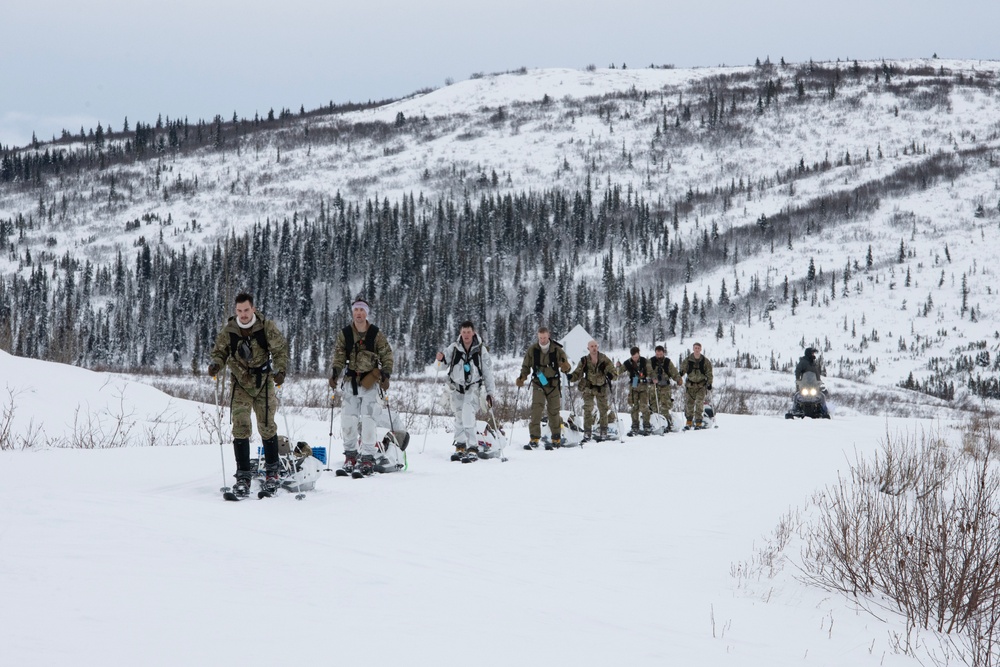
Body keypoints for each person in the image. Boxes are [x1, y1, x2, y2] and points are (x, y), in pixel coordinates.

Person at [208, 292, 289, 497]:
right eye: (239, 311)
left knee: (267, 425)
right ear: (235, 311)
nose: (243, 315)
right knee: (241, 427)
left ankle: (272, 472)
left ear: (253, 309)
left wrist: (280, 370)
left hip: (263, 383)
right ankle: (243, 476)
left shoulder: (266, 327)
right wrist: (216, 364)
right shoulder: (230, 330)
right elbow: (219, 351)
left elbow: (280, 350)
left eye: (246, 310)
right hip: (240, 384)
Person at [329, 296, 394, 476]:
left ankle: (367, 458)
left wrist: (386, 373)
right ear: (352, 312)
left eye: (362, 310)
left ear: (367, 313)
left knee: (368, 421)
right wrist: (335, 371)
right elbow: (339, 356)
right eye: (356, 309)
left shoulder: (375, 334)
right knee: (348, 420)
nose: (359, 313)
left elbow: (387, 354)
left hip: (370, 383)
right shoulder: (345, 334)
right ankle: (350, 456)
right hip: (351, 381)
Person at [435, 321, 496, 459]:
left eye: (469, 332)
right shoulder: (454, 348)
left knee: (468, 414)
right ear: (460, 333)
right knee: (459, 417)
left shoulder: (481, 350)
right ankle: (460, 445)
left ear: (473, 333)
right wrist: (439, 359)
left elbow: (488, 373)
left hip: (473, 388)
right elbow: (440, 366)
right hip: (456, 388)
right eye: (464, 332)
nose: (466, 335)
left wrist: (490, 393)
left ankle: (473, 446)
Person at [515, 327, 571, 449]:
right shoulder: (532, 350)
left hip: (553, 384)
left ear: (548, 336)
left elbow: (566, 366)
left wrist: (565, 366)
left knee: (553, 411)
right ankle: (534, 438)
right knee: (536, 410)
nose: (543, 340)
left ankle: (556, 437)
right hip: (538, 383)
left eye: (545, 337)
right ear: (538, 337)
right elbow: (526, 366)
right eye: (540, 338)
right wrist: (522, 378)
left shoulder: (557, 350)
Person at [567, 339, 618, 441]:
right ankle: (587, 432)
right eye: (592, 346)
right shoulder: (584, 361)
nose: (594, 348)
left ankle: (604, 431)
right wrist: (571, 377)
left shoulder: (604, 359)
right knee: (587, 409)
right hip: (588, 388)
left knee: (603, 410)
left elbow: (614, 373)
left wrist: (610, 375)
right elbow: (577, 373)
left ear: (597, 347)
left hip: (601, 388)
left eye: (595, 346)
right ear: (588, 348)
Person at [649, 344, 683, 431]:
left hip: (665, 386)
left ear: (663, 353)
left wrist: (678, 379)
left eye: (660, 354)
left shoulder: (667, 362)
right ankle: (656, 425)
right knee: (654, 405)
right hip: (654, 386)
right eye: (657, 354)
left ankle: (667, 424)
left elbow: (674, 372)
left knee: (665, 406)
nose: (659, 356)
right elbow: (646, 371)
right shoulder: (651, 362)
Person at [680, 342, 713, 429]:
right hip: (690, 385)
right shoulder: (687, 360)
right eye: (695, 348)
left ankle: (698, 422)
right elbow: (682, 370)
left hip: (701, 386)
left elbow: (709, 373)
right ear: (693, 349)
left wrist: (710, 383)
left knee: (699, 403)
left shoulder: (705, 361)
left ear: (700, 349)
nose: (697, 349)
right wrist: (679, 377)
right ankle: (689, 422)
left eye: (698, 348)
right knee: (689, 404)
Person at [620, 346, 652, 436]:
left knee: (644, 406)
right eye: (634, 357)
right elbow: (620, 371)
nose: (635, 358)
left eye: (637, 356)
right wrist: (616, 372)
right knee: (634, 406)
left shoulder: (644, 361)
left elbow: (650, 371)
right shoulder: (627, 363)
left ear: (639, 354)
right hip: (633, 385)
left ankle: (646, 425)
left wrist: (653, 377)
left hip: (643, 386)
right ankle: (635, 425)